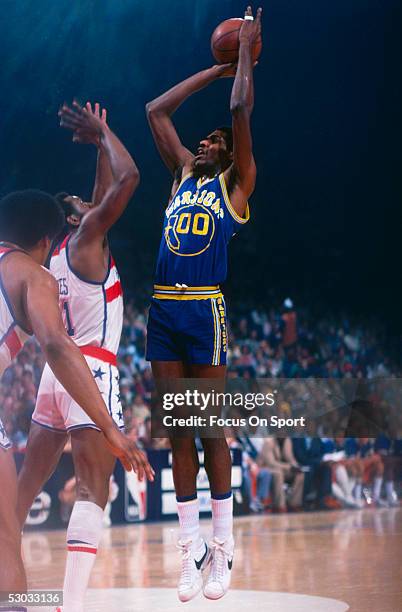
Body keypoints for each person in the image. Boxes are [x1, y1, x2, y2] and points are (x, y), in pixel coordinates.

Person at [16, 102, 154, 612]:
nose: (87, 201)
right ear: (78, 219)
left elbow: (99, 195)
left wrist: (98, 146)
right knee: (95, 489)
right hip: (92, 369)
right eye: (81, 204)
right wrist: (107, 132)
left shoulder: (57, 257)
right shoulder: (89, 239)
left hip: (56, 375)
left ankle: (11, 588)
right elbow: (129, 178)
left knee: (25, 491)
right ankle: (68, 605)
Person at [145, 6, 262, 601]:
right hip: (163, 309)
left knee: (209, 428)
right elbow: (155, 110)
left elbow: (240, 111)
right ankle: (188, 552)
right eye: (205, 137)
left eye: (214, 140)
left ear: (228, 156)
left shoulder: (233, 186)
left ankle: (223, 548)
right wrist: (210, 72)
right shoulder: (180, 177)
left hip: (204, 308)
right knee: (177, 434)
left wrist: (242, 56)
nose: (205, 139)